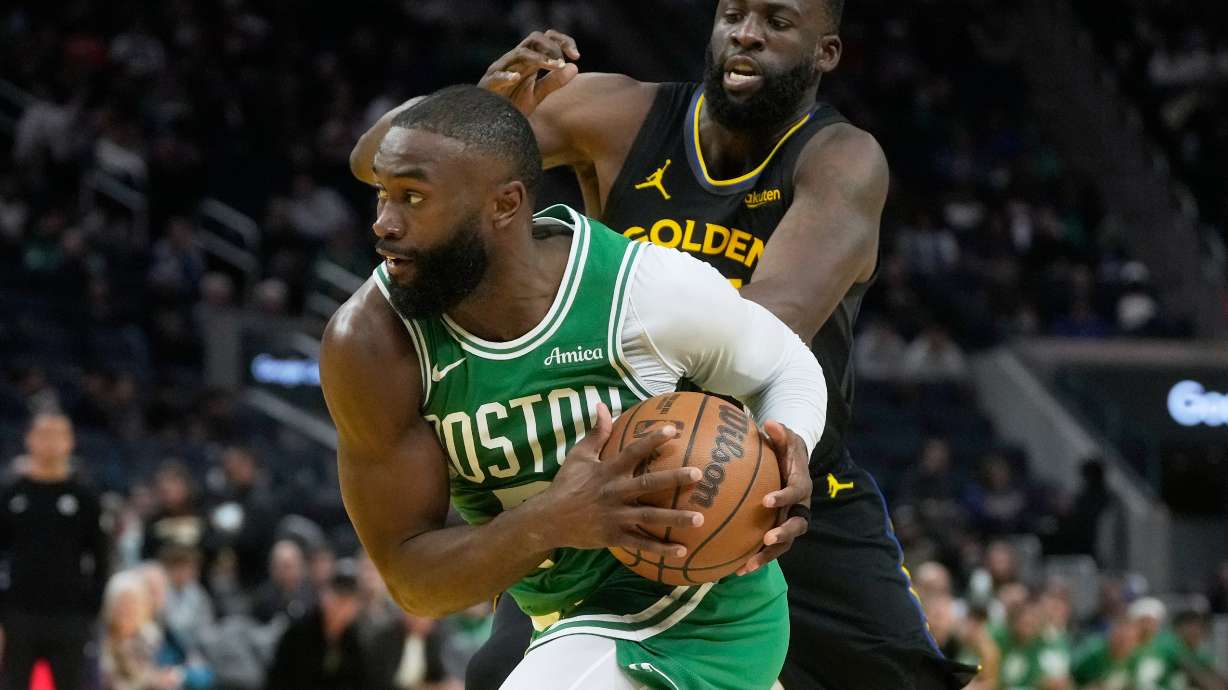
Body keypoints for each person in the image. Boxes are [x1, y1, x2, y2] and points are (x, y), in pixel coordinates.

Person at [351, 2, 976, 688]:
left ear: (825, 53)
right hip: (627, 470)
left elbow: (767, 330)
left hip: (781, 472)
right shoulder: (617, 114)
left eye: (776, 21)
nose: (746, 33)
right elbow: (377, 161)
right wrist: (475, 105)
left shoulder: (842, 160)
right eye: (733, 13)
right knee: (497, 672)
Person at [324, 85, 825, 689]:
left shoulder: (642, 289)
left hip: (701, 608)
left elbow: (784, 366)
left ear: (505, 205)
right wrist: (555, 520)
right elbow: (412, 580)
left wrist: (790, 439)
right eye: (383, 195)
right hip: (565, 620)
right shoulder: (373, 342)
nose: (384, 224)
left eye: (413, 198)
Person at [0, 411, 110, 690]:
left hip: (70, 615)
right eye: (43, 434)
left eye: (57, 435)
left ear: (69, 442)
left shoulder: (85, 498)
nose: (49, 442)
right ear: (29, 440)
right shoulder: (11, 494)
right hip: (17, 613)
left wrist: (90, 608)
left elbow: (101, 557)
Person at [263, 560, 368, 690]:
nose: (341, 608)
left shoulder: (355, 640)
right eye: (337, 597)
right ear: (324, 595)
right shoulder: (297, 633)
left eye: (348, 600)